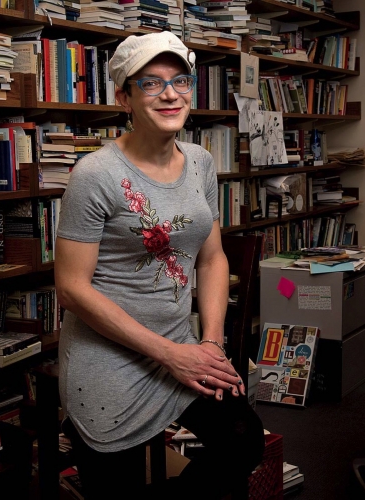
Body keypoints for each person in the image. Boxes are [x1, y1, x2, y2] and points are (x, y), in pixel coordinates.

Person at [55, 31, 265, 500]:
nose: (170, 94)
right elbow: (71, 288)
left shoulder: (201, 163)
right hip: (108, 358)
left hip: (182, 344)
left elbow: (212, 258)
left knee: (243, 442)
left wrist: (210, 342)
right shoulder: (95, 175)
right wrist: (169, 355)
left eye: (180, 80)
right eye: (151, 83)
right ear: (124, 97)